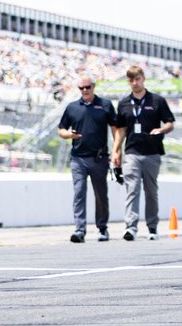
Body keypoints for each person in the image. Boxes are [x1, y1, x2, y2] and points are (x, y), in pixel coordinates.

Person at [112, 66, 176, 240]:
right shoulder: (124, 103)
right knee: (132, 189)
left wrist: (162, 130)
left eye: (137, 79)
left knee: (151, 191)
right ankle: (131, 227)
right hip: (132, 151)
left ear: (143, 79)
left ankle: (152, 227)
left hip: (152, 153)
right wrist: (115, 150)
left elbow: (170, 123)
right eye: (131, 80)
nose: (135, 83)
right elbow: (121, 129)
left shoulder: (157, 100)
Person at [57, 75, 117, 243]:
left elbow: (115, 128)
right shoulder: (72, 107)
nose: (85, 91)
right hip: (78, 158)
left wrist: (116, 151)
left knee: (101, 194)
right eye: (81, 88)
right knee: (79, 193)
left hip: (99, 158)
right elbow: (61, 129)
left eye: (87, 87)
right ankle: (79, 229)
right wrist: (68, 135)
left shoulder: (105, 105)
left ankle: (102, 228)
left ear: (94, 87)